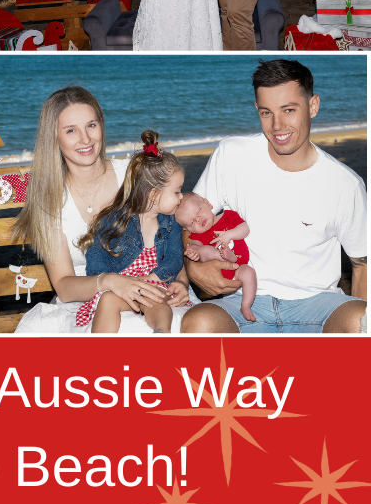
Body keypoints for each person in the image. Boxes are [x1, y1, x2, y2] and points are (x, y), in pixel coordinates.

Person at [179, 59, 366, 333]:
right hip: (246, 300)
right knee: (199, 323)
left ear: (313, 106)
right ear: (257, 109)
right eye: (266, 112)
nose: (278, 125)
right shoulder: (231, 155)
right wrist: (194, 268)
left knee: (359, 319)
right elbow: (189, 216)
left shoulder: (345, 184)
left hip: (318, 304)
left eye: (289, 110)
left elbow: (362, 265)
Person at [13, 86, 197, 334]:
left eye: (91, 125)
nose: (85, 139)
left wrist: (182, 282)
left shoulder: (132, 175)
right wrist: (111, 282)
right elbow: (64, 287)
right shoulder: (49, 200)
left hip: (156, 291)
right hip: (86, 302)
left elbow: (167, 235)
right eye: (71, 130)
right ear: (53, 138)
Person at [78, 132, 189, 333]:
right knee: (108, 300)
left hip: (155, 285)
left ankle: (161, 333)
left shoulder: (171, 224)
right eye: (177, 191)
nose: (181, 197)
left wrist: (151, 280)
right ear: (154, 194)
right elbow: (96, 254)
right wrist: (107, 279)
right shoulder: (115, 220)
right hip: (121, 288)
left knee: (155, 299)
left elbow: (174, 259)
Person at [177, 193, 257, 322]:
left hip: (238, 266)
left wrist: (229, 235)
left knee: (249, 273)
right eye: (192, 222)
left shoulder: (229, 216)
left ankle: (246, 305)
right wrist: (193, 253)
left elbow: (245, 229)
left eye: (198, 211)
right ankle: (222, 255)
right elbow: (197, 249)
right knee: (204, 250)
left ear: (207, 204)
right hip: (219, 271)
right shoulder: (197, 236)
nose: (198, 219)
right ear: (187, 229)